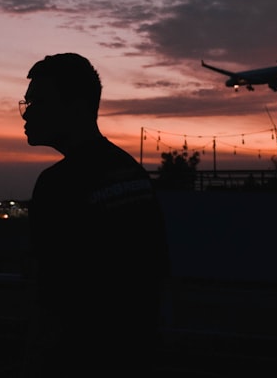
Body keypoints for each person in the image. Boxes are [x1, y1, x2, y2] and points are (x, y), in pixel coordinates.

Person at [19, 53, 170, 377]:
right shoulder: (131, 172)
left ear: (75, 106)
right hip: (133, 354)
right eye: (26, 104)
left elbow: (50, 295)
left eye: (38, 103)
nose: (26, 115)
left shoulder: (58, 184)